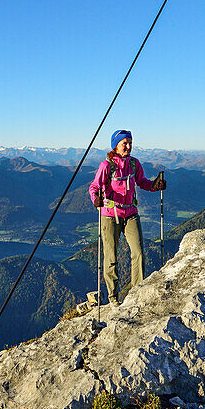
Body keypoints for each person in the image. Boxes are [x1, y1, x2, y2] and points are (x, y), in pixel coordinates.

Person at [88, 129, 165, 305]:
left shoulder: (134, 163)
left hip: (131, 213)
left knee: (138, 253)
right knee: (111, 257)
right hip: (110, 215)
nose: (129, 147)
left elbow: (142, 182)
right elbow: (94, 187)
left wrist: (155, 185)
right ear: (116, 145)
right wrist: (96, 199)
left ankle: (136, 293)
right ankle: (113, 298)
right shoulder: (106, 166)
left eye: (130, 143)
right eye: (125, 143)